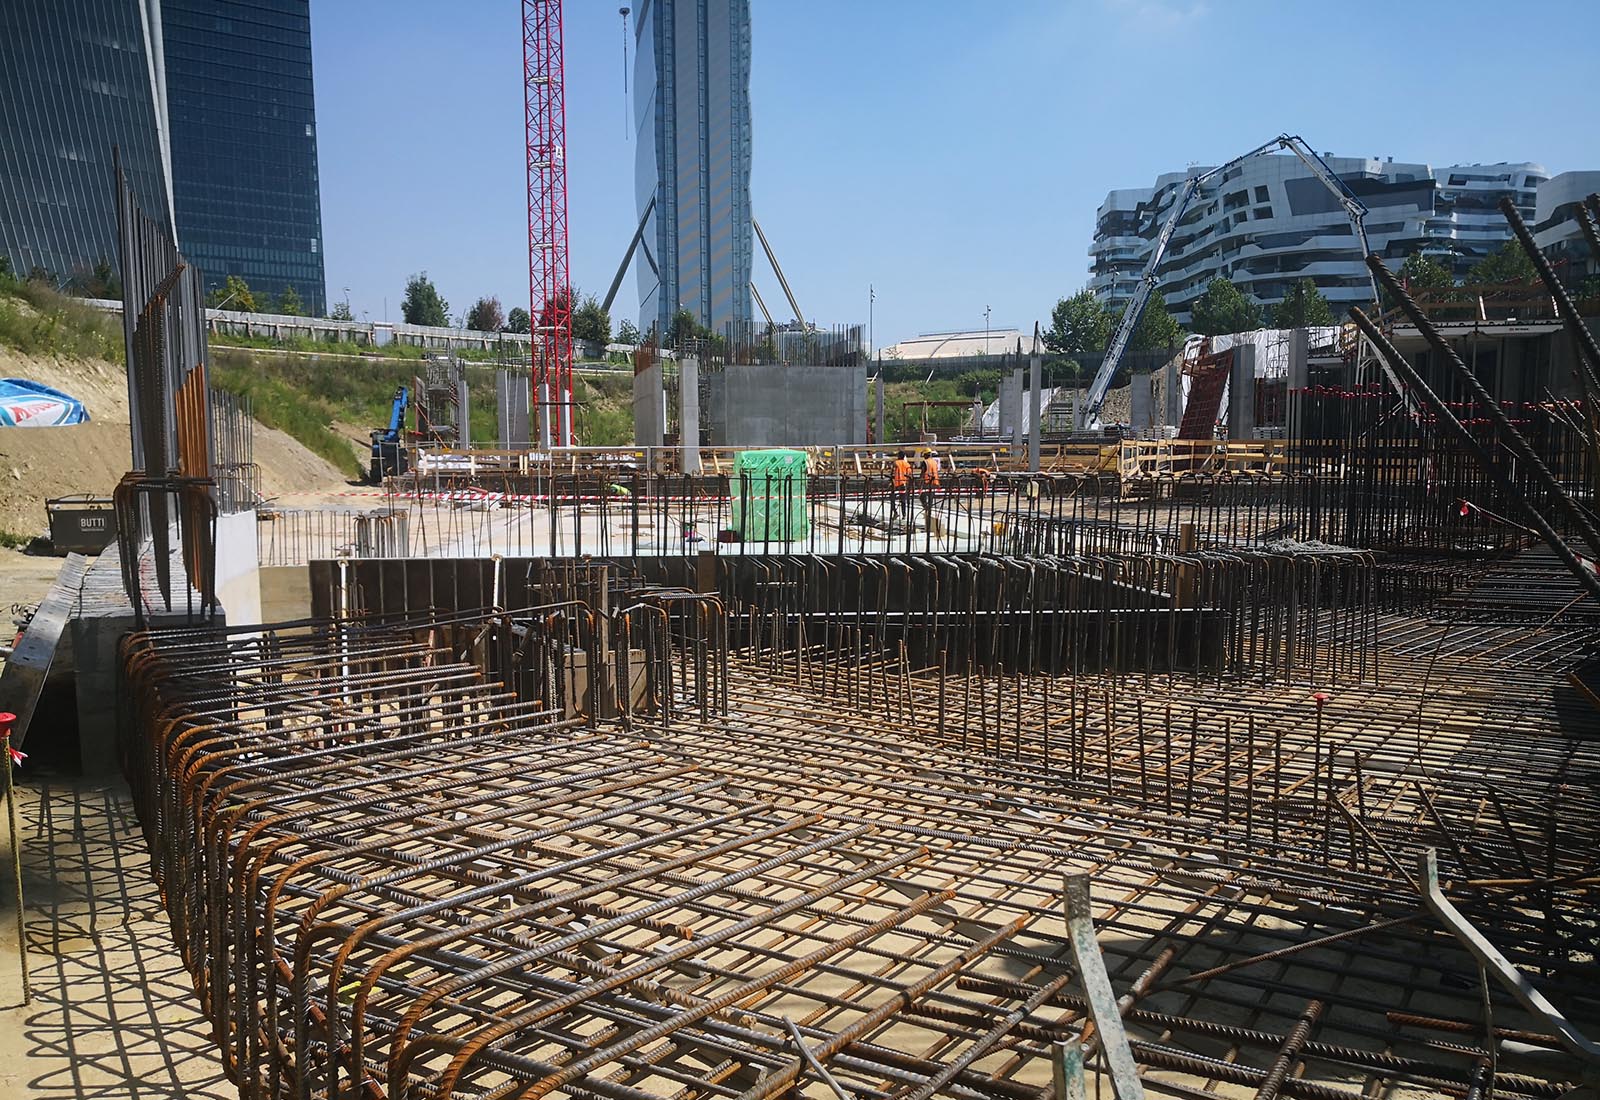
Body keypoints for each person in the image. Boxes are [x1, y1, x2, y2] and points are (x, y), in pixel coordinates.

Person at [889, 450, 912, 522]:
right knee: (903, 500)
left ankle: (895, 512)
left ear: (899, 456)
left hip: (896, 483)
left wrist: (890, 481)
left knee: (892, 499)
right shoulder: (907, 464)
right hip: (904, 484)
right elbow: (909, 475)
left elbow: (892, 473)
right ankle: (904, 515)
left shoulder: (896, 463)